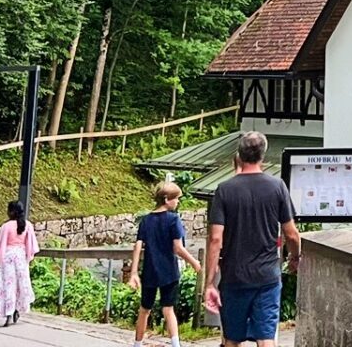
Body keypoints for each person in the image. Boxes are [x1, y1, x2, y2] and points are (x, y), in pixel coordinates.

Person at [204, 131, 299, 347]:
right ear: (263, 154)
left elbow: (215, 240)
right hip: (266, 276)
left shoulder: (225, 190)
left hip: (234, 276)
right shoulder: (277, 187)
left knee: (232, 339)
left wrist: (210, 282)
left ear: (239, 154)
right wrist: (294, 258)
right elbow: (291, 233)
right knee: (266, 337)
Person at [128, 180, 202, 347]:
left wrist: (133, 273)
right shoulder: (173, 219)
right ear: (167, 199)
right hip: (169, 271)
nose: (178, 202)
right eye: (177, 199)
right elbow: (178, 247)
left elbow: (138, 246)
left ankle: (137, 344)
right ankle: (175, 344)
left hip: (150, 271)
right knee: (168, 309)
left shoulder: (146, 220)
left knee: (144, 309)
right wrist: (194, 262)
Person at [0, 199, 38, 327]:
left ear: (11, 212)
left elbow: (1, 243)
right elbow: (31, 245)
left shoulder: (6, 226)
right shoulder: (27, 225)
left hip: (8, 256)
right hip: (21, 256)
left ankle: (8, 314)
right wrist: (28, 256)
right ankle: (18, 308)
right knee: (21, 284)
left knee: (8, 285)